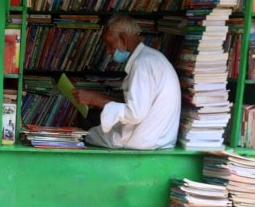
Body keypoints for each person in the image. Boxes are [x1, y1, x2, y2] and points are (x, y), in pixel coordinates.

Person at [73, 14, 181, 150]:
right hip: (157, 137)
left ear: (123, 39)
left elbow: (135, 114)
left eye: (109, 44)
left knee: (85, 131)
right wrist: (97, 99)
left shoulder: (142, 63)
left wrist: (96, 100)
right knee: (95, 120)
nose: (108, 51)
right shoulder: (151, 57)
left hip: (145, 140)